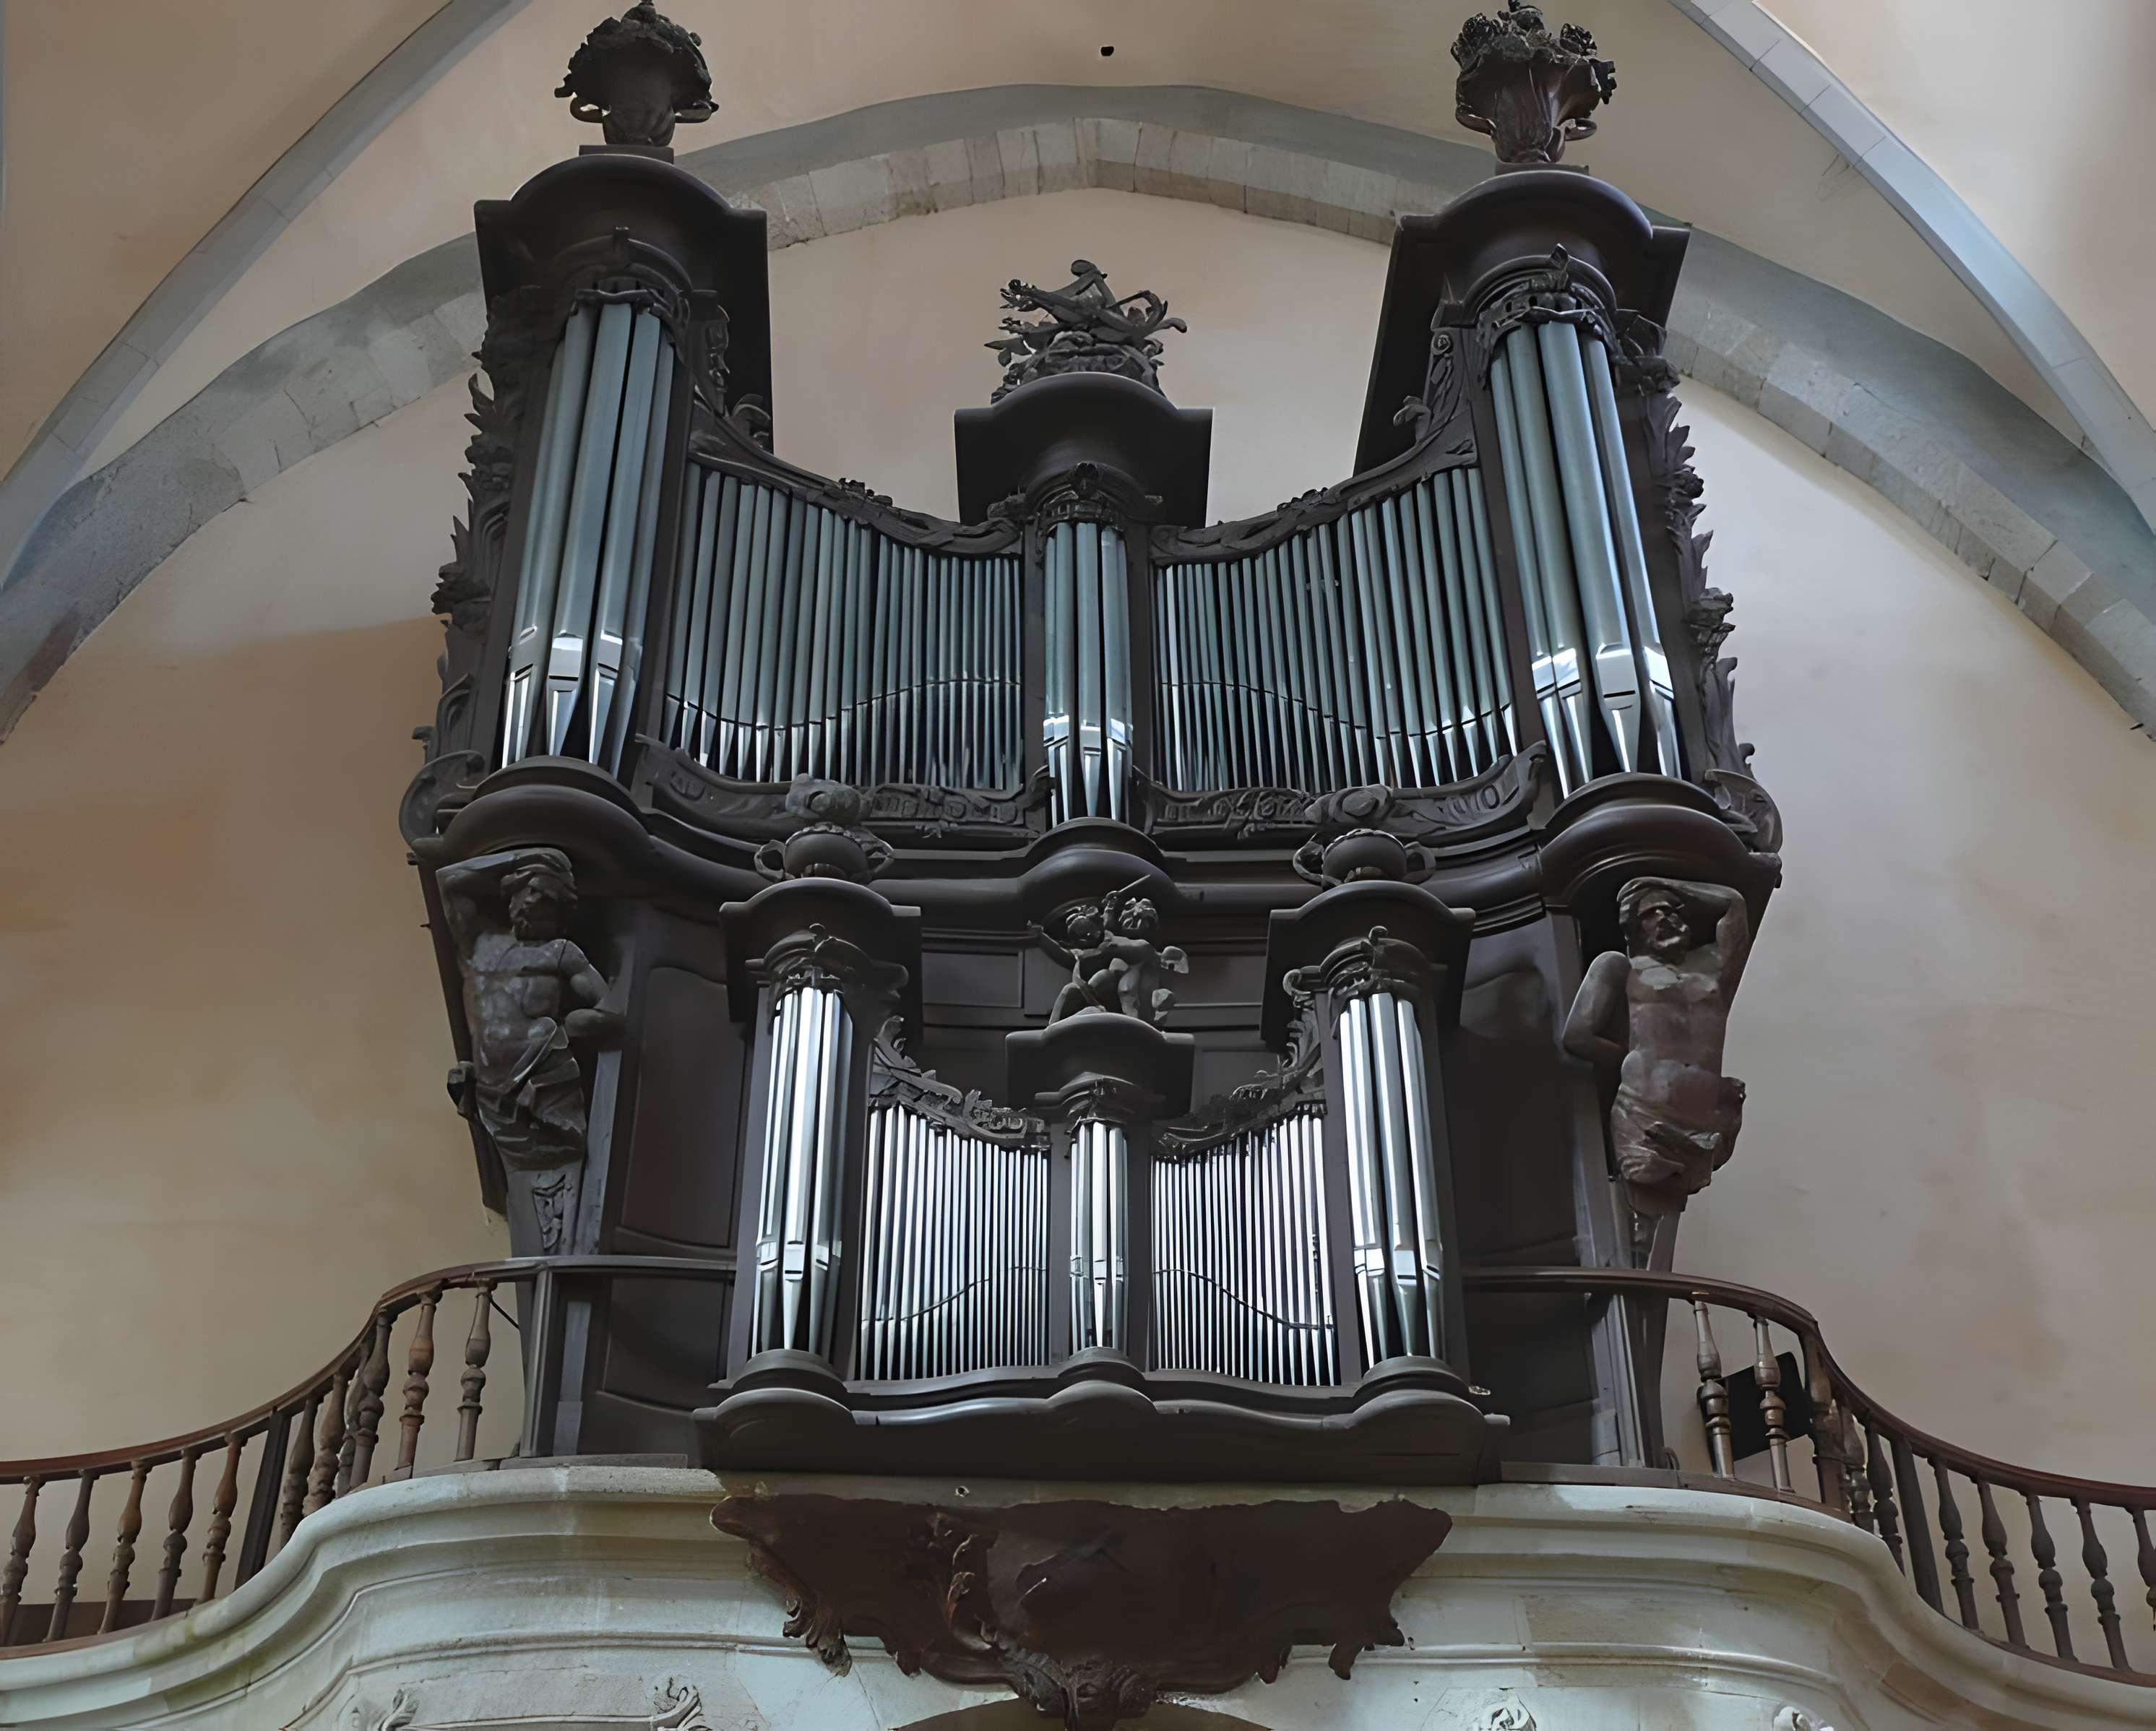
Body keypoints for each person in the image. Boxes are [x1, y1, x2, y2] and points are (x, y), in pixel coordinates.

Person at [1561, 876, 1749, 1259]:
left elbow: (1733, 905)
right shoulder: (1620, 968)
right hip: (1643, 1113)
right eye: (1652, 914)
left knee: (1656, 1233)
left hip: (1705, 1122)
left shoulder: (1712, 972)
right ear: (1634, 928)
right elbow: (1577, 1034)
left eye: (1674, 912)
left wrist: (1661, 884)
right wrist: (1633, 1061)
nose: (1666, 919)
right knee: (1639, 1235)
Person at [439, 847, 620, 1172]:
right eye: (531, 892)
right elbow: (449, 880)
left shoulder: (561, 953)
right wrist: (523, 861)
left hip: (543, 1085)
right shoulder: (481, 945)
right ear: (514, 892)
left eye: (547, 900)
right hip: (489, 1091)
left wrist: (581, 1024)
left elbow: (611, 1011)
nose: (534, 903)